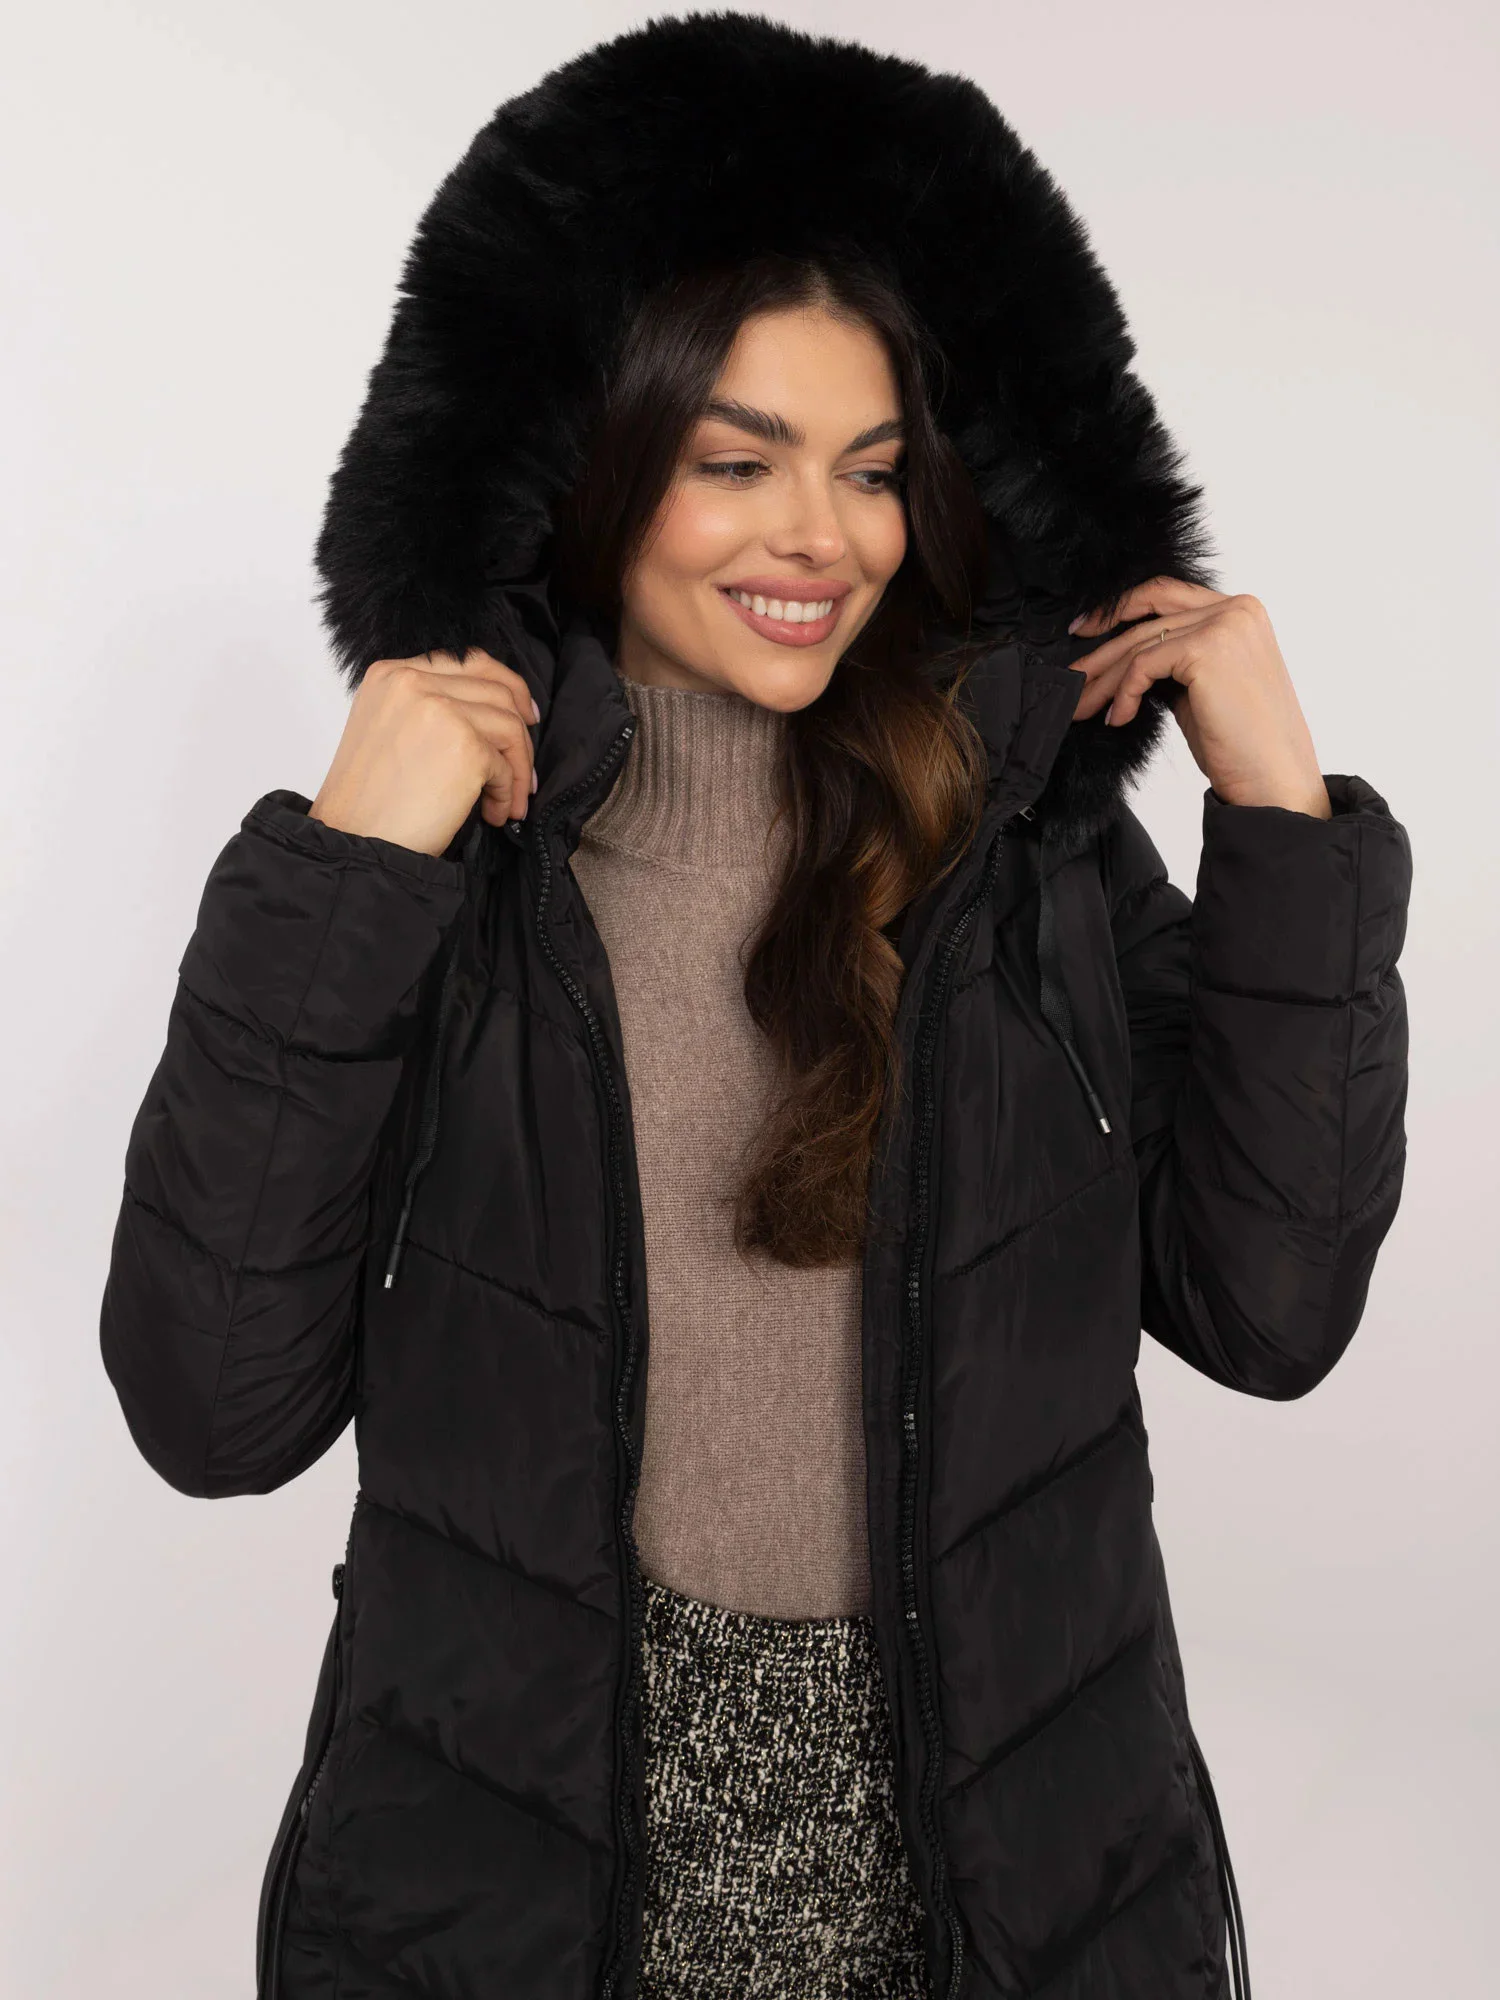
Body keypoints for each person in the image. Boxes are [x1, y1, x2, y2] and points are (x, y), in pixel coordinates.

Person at [98, 16, 1411, 2000]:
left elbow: (1273, 1311)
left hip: (1011, 1905)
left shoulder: (1024, 852)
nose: (825, 536)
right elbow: (211, 1413)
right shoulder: (446, 881)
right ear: (588, 469)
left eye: (873, 471)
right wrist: (346, 871)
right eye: (738, 463)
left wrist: (1282, 814)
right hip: (520, 1907)